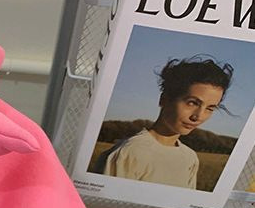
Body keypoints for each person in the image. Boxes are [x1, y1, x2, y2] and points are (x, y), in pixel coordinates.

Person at [94, 56, 233, 188]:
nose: (198, 116)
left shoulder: (190, 158)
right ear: (164, 99)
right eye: (192, 103)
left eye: (209, 108)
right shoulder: (128, 153)